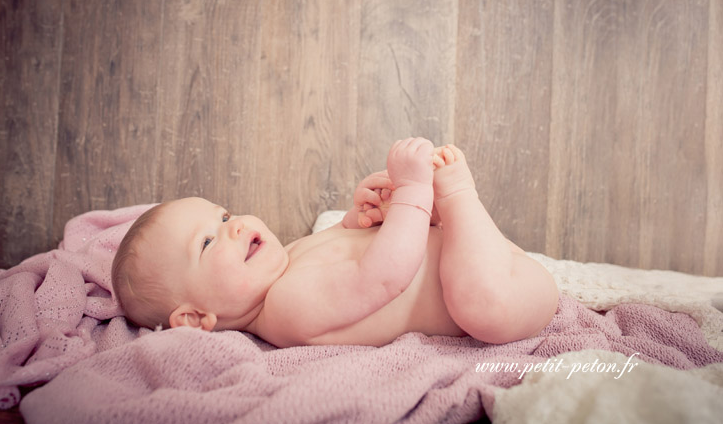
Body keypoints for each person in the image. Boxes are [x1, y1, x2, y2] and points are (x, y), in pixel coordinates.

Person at [111, 138, 559, 347]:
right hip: (506, 291)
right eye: (208, 242)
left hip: (486, 258)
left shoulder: (284, 263)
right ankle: (458, 195)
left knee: (469, 284)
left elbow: (344, 247)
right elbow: (382, 276)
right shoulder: (285, 309)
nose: (233, 225)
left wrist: (362, 216)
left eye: (224, 214)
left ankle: (454, 213)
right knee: (480, 304)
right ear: (193, 318)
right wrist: (413, 194)